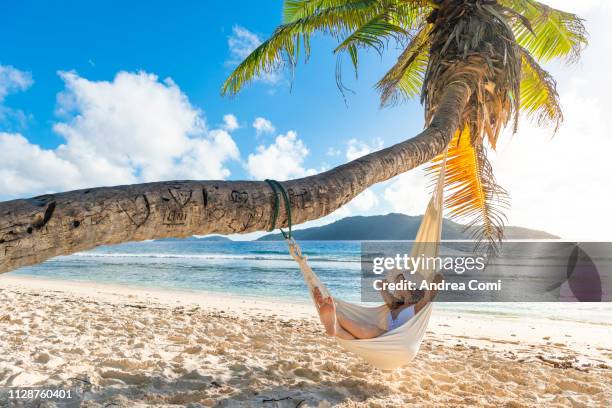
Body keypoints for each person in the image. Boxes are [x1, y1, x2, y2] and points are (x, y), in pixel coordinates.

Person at [313, 272, 443, 340]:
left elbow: (433, 289)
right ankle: (334, 327)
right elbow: (384, 292)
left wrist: (433, 279)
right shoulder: (396, 305)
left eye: (399, 281)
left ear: (411, 286)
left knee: (372, 330)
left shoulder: (418, 307)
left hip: (395, 341)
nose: (396, 284)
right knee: (354, 338)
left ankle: (335, 315)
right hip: (384, 339)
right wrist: (383, 287)